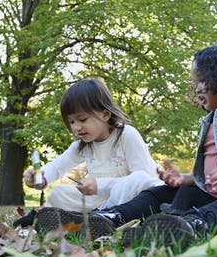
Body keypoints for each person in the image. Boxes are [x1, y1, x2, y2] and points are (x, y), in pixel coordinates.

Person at [88, 40, 217, 249]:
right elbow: (214, 174)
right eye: (195, 82)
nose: (197, 88)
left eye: (203, 80)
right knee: (161, 193)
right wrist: (186, 179)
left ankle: (194, 225)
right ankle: (110, 218)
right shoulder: (210, 120)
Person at [13, 78, 163, 235]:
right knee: (59, 193)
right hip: (100, 202)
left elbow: (143, 178)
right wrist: (41, 177)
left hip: (133, 199)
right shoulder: (82, 145)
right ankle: (84, 221)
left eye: (82, 119)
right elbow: (57, 166)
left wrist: (100, 185)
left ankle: (100, 219)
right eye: (71, 122)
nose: (76, 127)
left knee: (138, 179)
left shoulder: (126, 135)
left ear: (105, 114)